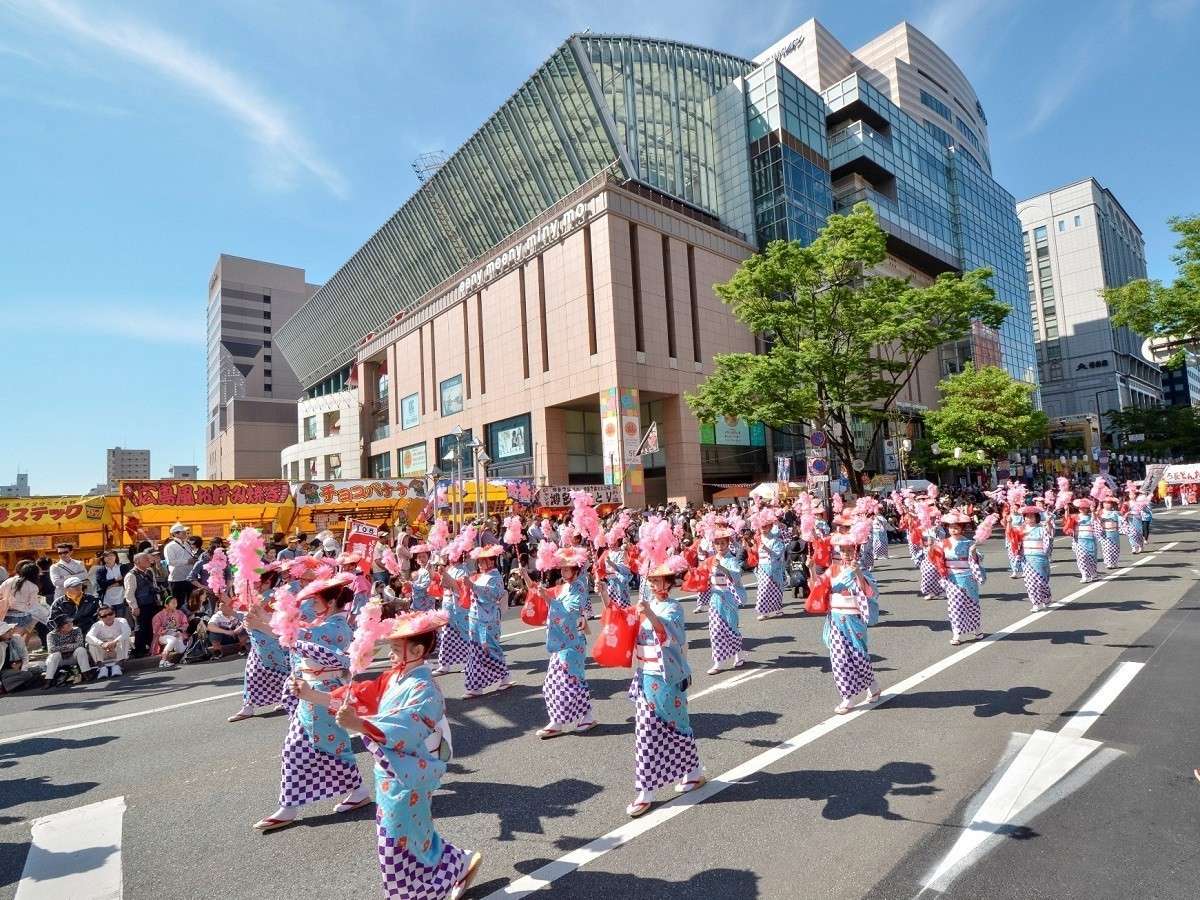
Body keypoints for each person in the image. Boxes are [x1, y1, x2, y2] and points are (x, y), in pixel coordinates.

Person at [297, 610, 483, 900]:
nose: (391, 654)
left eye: (397, 649)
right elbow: (360, 694)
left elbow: (406, 726)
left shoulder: (424, 688)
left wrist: (359, 725)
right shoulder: (394, 677)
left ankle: (418, 892)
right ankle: (457, 863)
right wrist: (313, 695)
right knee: (415, 832)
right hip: (391, 770)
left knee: (395, 842)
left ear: (418, 650)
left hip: (409, 770)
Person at [254, 573, 368, 832]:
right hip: (313, 691)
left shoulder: (336, 628)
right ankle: (357, 790)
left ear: (331, 602)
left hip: (323, 692)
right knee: (321, 745)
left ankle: (290, 807)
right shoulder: (324, 623)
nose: (313, 606)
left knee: (303, 747)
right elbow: (297, 632)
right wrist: (261, 618)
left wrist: (263, 625)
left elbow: (301, 639)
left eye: (316, 601)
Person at [626, 558, 705, 818]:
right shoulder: (644, 606)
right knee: (646, 731)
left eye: (660, 580)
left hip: (667, 676)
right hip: (646, 674)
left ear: (669, 583)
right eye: (652, 580)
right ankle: (647, 789)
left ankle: (692, 773)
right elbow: (623, 626)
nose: (655, 584)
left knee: (677, 726)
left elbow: (671, 636)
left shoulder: (673, 607)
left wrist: (648, 613)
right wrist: (605, 595)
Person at [529, 547, 595, 739]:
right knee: (561, 681)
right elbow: (558, 608)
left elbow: (571, 612)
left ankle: (559, 721)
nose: (564, 572)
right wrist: (546, 597)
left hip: (572, 641)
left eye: (568, 569)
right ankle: (585, 716)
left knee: (563, 682)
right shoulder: (565, 586)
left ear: (576, 569)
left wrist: (549, 599)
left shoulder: (580, 587)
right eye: (563, 569)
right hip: (563, 641)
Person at [819, 533, 882, 714]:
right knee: (839, 659)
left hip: (854, 619)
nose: (846, 554)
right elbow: (819, 587)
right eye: (843, 550)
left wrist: (859, 574)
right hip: (836, 619)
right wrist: (810, 569)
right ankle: (847, 698)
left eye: (849, 550)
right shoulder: (833, 569)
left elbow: (871, 594)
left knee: (859, 656)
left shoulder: (861, 570)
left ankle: (873, 686)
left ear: (856, 551)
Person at [448, 545, 511, 698]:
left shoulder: (496, 577)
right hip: (475, 616)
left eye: (484, 560)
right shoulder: (480, 575)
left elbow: (493, 595)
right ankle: (475, 686)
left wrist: (472, 586)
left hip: (488, 619)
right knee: (475, 650)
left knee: (489, 648)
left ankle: (504, 675)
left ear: (492, 561)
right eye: (480, 561)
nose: (481, 563)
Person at [229, 568, 291, 722]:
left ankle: (289, 698)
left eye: (257, 581)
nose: (254, 584)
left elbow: (275, 619)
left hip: (272, 642)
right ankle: (248, 706)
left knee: (281, 674)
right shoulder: (255, 596)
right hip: (257, 643)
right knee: (252, 674)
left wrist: (255, 614)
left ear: (267, 582)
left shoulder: (273, 596)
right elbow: (238, 610)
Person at [934, 512, 985, 646]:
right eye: (951, 527)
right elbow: (937, 559)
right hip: (952, 579)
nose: (954, 530)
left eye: (957, 527)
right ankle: (956, 632)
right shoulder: (943, 543)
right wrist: (931, 549)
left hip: (968, 577)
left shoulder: (969, 542)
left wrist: (973, 552)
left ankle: (977, 628)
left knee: (972, 604)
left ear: (962, 528)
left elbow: (978, 559)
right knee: (955, 605)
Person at [702, 527, 745, 675]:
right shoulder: (711, 559)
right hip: (715, 597)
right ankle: (718, 662)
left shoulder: (731, 559)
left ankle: (738, 655)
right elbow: (705, 575)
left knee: (732, 627)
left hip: (729, 597)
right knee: (715, 630)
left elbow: (736, 577)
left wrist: (721, 567)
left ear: (728, 544)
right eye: (717, 543)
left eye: (723, 543)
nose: (720, 546)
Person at [125, 551, 164, 656]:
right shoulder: (131, 575)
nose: (148, 561)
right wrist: (134, 607)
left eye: (148, 559)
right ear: (137, 561)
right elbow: (129, 594)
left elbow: (154, 585)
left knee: (153, 626)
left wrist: (158, 599)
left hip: (152, 602)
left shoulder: (150, 571)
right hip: (140, 605)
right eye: (145, 559)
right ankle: (139, 650)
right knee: (141, 627)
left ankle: (153, 647)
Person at [1015, 505, 1053, 611]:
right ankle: (1035, 603)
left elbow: (1048, 536)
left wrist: (1049, 523)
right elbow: (1016, 542)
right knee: (1030, 582)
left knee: (1041, 582)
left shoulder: (1041, 528)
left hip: (1040, 558)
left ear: (1036, 517)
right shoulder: (1021, 530)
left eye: (1032, 516)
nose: (1029, 518)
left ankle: (1046, 598)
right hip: (1027, 559)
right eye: (1027, 516)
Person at [753, 511, 786, 620]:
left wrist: (767, 549)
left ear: (771, 526)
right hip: (762, 567)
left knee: (776, 588)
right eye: (762, 526)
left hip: (774, 567)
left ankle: (777, 608)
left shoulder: (775, 539)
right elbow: (754, 552)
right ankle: (764, 612)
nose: (763, 528)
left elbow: (778, 553)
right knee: (763, 589)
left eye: (766, 526)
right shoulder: (758, 539)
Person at [44, 615, 93, 687]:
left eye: (71, 621)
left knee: (81, 650)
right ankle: (48, 681)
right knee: (54, 655)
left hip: (73, 656)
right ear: (60, 626)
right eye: (67, 622)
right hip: (60, 659)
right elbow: (51, 649)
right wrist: (69, 646)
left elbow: (80, 644)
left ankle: (86, 673)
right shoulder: (51, 635)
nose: (71, 624)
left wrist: (63, 648)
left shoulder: (76, 630)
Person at [86, 605, 132, 678]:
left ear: (114, 613)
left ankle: (118, 666)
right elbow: (88, 637)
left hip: (118, 649)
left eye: (110, 614)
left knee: (125, 638)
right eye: (104, 616)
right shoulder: (96, 625)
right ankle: (101, 667)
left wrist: (114, 642)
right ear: (100, 618)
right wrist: (102, 644)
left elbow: (127, 632)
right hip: (104, 650)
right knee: (91, 643)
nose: (108, 617)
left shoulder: (121, 620)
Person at [163, 523, 198, 607]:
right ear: (175, 534)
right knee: (178, 604)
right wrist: (187, 561)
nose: (186, 534)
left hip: (189, 578)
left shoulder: (186, 544)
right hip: (177, 579)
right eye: (183, 532)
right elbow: (170, 562)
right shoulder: (170, 546)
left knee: (191, 603)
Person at [94, 550, 131, 625]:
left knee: (121, 620)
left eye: (112, 555)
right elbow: (102, 584)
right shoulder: (100, 570)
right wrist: (116, 579)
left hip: (121, 598)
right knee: (109, 621)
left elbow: (126, 580)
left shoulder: (123, 567)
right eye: (107, 556)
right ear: (103, 558)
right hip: (107, 600)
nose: (110, 557)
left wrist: (110, 584)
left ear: (116, 557)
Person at [151, 595, 189, 668]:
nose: (175, 604)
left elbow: (185, 624)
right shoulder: (158, 616)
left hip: (177, 634)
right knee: (172, 639)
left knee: (181, 650)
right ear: (166, 605)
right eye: (172, 603)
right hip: (162, 636)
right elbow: (156, 630)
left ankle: (183, 654)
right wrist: (167, 630)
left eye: (176, 602)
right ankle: (163, 661)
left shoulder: (180, 613)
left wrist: (179, 630)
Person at [1069, 498, 1100, 583]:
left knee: (1091, 559)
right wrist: (1066, 510)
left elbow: (1096, 522)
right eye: (1080, 507)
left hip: (1090, 540)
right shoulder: (1075, 517)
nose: (1082, 509)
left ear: (1087, 508)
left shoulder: (1091, 516)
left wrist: (1093, 511)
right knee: (1081, 558)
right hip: (1079, 540)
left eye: (1084, 507)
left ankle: (1093, 574)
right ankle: (1084, 575)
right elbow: (1068, 525)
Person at [1099, 497, 1122, 569]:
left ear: (1112, 504)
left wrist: (1119, 504)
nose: (1107, 504)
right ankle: (1108, 563)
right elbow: (1095, 519)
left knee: (1115, 548)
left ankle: (1114, 562)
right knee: (1106, 548)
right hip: (1105, 532)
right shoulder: (1100, 512)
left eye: (1109, 503)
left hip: (1114, 532)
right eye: (1105, 503)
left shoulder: (1115, 513)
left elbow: (1121, 519)